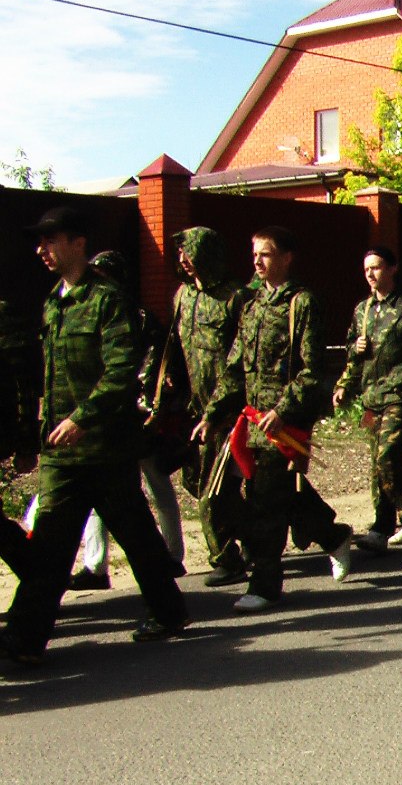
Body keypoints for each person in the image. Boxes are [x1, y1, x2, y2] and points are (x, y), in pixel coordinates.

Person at [2, 207, 188, 666]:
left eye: (51, 240)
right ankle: (25, 642)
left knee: (136, 534)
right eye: (39, 242)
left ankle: (169, 610)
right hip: (64, 453)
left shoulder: (107, 298)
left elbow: (122, 369)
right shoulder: (53, 301)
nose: (41, 250)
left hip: (104, 445)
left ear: (78, 243)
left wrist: (83, 418)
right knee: (50, 545)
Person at [196, 225, 353, 613]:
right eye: (254, 253)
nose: (257, 261)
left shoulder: (302, 303)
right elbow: (235, 366)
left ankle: (265, 585)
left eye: (265, 253)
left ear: (286, 257)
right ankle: (334, 536)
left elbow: (312, 370)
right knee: (263, 496)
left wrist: (282, 411)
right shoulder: (250, 304)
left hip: (285, 424)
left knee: (266, 502)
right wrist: (213, 413)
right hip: (251, 424)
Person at [168, 226, 252, 587]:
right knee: (194, 478)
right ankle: (259, 533)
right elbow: (174, 343)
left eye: (190, 252)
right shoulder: (183, 296)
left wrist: (222, 408)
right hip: (195, 407)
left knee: (211, 489)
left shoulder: (235, 297)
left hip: (229, 409)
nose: (184, 261)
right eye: (181, 255)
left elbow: (243, 358)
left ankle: (226, 558)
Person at [333, 246, 402, 553]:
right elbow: (353, 352)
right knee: (380, 465)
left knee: (387, 454)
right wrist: (344, 383)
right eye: (366, 270)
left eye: (376, 268)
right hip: (371, 394)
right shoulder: (362, 310)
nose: (370, 275)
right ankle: (382, 526)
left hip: (400, 392)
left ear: (392, 268)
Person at [0, 270, 42, 580]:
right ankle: (39, 576)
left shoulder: (4, 317)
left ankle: (39, 576)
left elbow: (24, 385)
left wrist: (27, 442)